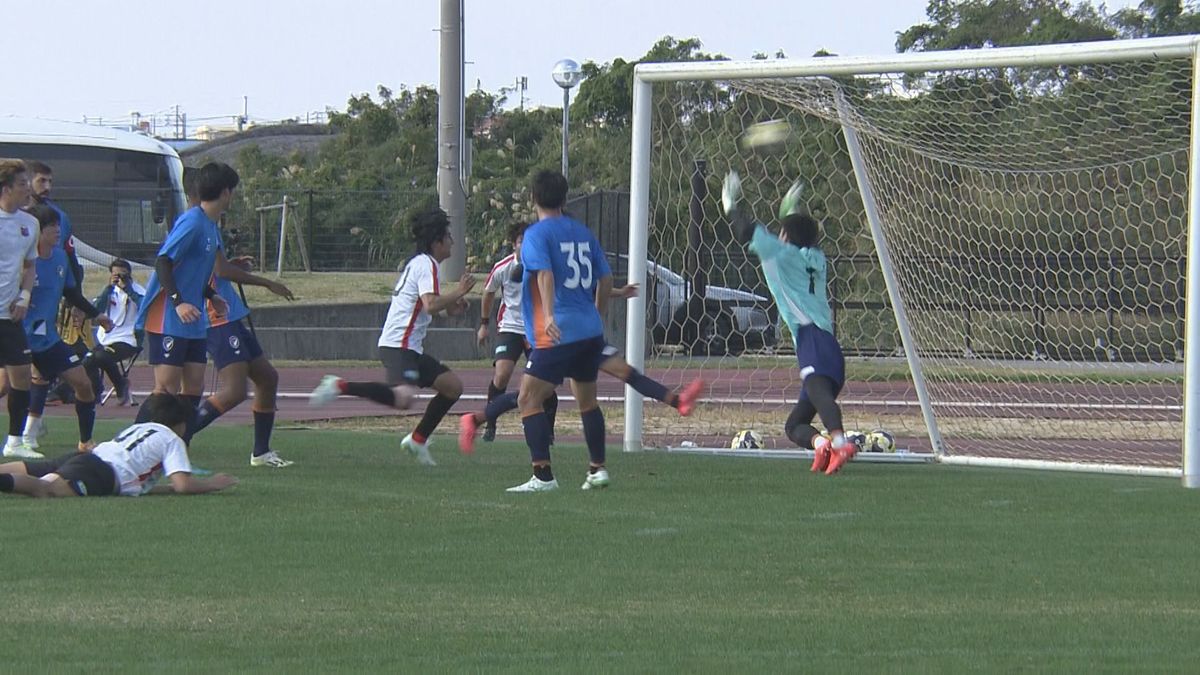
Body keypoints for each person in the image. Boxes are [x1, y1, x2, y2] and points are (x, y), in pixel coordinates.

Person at [458, 223, 703, 453]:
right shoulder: (533, 266)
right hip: (552, 339)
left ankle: (675, 402)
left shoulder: (562, 264)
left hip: (578, 338)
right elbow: (524, 281)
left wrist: (618, 294)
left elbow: (597, 287)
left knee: (616, 377)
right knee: (530, 395)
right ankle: (481, 422)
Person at [133, 162, 293, 437]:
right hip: (170, 316)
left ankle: (178, 448)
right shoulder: (193, 222)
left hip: (195, 318)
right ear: (225, 193)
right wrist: (178, 301)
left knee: (193, 388)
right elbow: (163, 263)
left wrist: (211, 295)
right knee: (165, 390)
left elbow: (197, 272)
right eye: (233, 191)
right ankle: (132, 445)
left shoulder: (209, 225)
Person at [309, 207, 472, 465]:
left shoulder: (421, 263)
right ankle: (339, 385)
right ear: (437, 241)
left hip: (409, 346)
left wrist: (454, 306)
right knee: (403, 398)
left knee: (453, 387)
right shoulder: (426, 265)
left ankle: (418, 440)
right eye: (449, 236)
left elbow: (427, 307)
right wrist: (460, 291)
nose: (452, 241)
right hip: (400, 345)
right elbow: (430, 304)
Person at [723, 172, 856, 475]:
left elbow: (747, 231)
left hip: (812, 342)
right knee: (794, 425)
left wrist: (731, 207)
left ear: (785, 238)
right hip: (829, 348)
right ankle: (822, 444)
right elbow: (804, 237)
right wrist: (789, 215)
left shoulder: (782, 255)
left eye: (782, 231)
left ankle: (839, 441)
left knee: (817, 391)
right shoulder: (816, 257)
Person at [505, 170, 615, 493]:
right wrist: (597, 315)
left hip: (556, 331)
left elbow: (545, 276)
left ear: (533, 199)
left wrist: (550, 314)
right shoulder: (583, 232)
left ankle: (542, 476)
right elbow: (606, 280)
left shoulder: (536, 235)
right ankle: (597, 469)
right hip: (589, 329)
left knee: (528, 398)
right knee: (587, 401)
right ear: (565, 199)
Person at [0, 392, 238, 498]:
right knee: (45, 489)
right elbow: (183, 485)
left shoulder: (140, 428)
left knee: (39, 468)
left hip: (91, 458)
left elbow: (156, 483)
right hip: (102, 473)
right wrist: (212, 484)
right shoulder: (172, 439)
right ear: (181, 423)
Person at [19, 205, 114, 455]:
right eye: (52, 226)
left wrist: (97, 314)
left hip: (48, 339)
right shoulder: (22, 260)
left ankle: (85, 443)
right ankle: (20, 437)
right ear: (37, 231)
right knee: (7, 386)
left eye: (59, 225)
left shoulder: (60, 258)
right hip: (18, 335)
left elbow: (71, 293)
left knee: (83, 383)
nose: (58, 230)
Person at [474, 222, 559, 442]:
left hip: (537, 329)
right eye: (521, 241)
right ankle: (490, 424)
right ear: (514, 245)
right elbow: (488, 292)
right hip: (510, 325)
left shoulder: (544, 267)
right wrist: (484, 324)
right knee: (501, 375)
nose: (525, 246)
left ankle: (548, 431)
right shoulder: (503, 267)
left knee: (545, 386)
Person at [0, 159, 38, 459]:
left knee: (22, 375)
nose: (29, 188)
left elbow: (29, 265)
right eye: (23, 184)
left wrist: (24, 296)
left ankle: (15, 441)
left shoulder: (30, 223)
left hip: (9, 317)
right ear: (6, 188)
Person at [84, 258, 144, 406]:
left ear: (129, 275)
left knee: (101, 355)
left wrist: (128, 290)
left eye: (122, 275)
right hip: (107, 338)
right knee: (88, 359)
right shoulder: (110, 291)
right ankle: (95, 392)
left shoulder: (139, 291)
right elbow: (95, 310)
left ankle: (120, 385)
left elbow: (145, 308)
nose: (119, 278)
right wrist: (108, 289)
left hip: (128, 339)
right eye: (115, 275)